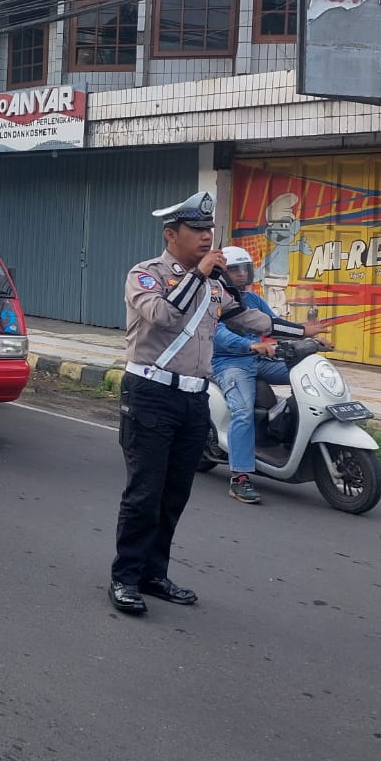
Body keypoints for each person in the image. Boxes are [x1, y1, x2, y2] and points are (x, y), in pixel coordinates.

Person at [111, 192, 306, 616]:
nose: (206, 237)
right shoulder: (146, 275)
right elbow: (165, 316)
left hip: (194, 397)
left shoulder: (215, 285)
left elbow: (250, 319)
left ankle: (154, 575)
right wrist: (199, 274)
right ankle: (125, 577)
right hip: (150, 394)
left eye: (209, 229)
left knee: (174, 493)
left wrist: (302, 331)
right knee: (145, 492)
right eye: (197, 229)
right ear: (171, 234)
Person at [211, 247, 330, 504]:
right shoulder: (213, 298)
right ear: (222, 273)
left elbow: (273, 324)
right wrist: (250, 345)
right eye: (234, 269)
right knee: (242, 412)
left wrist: (309, 337)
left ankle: (284, 427)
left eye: (244, 269)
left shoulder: (253, 299)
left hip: (260, 359)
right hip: (230, 362)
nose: (241, 274)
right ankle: (239, 477)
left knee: (307, 374)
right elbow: (217, 334)